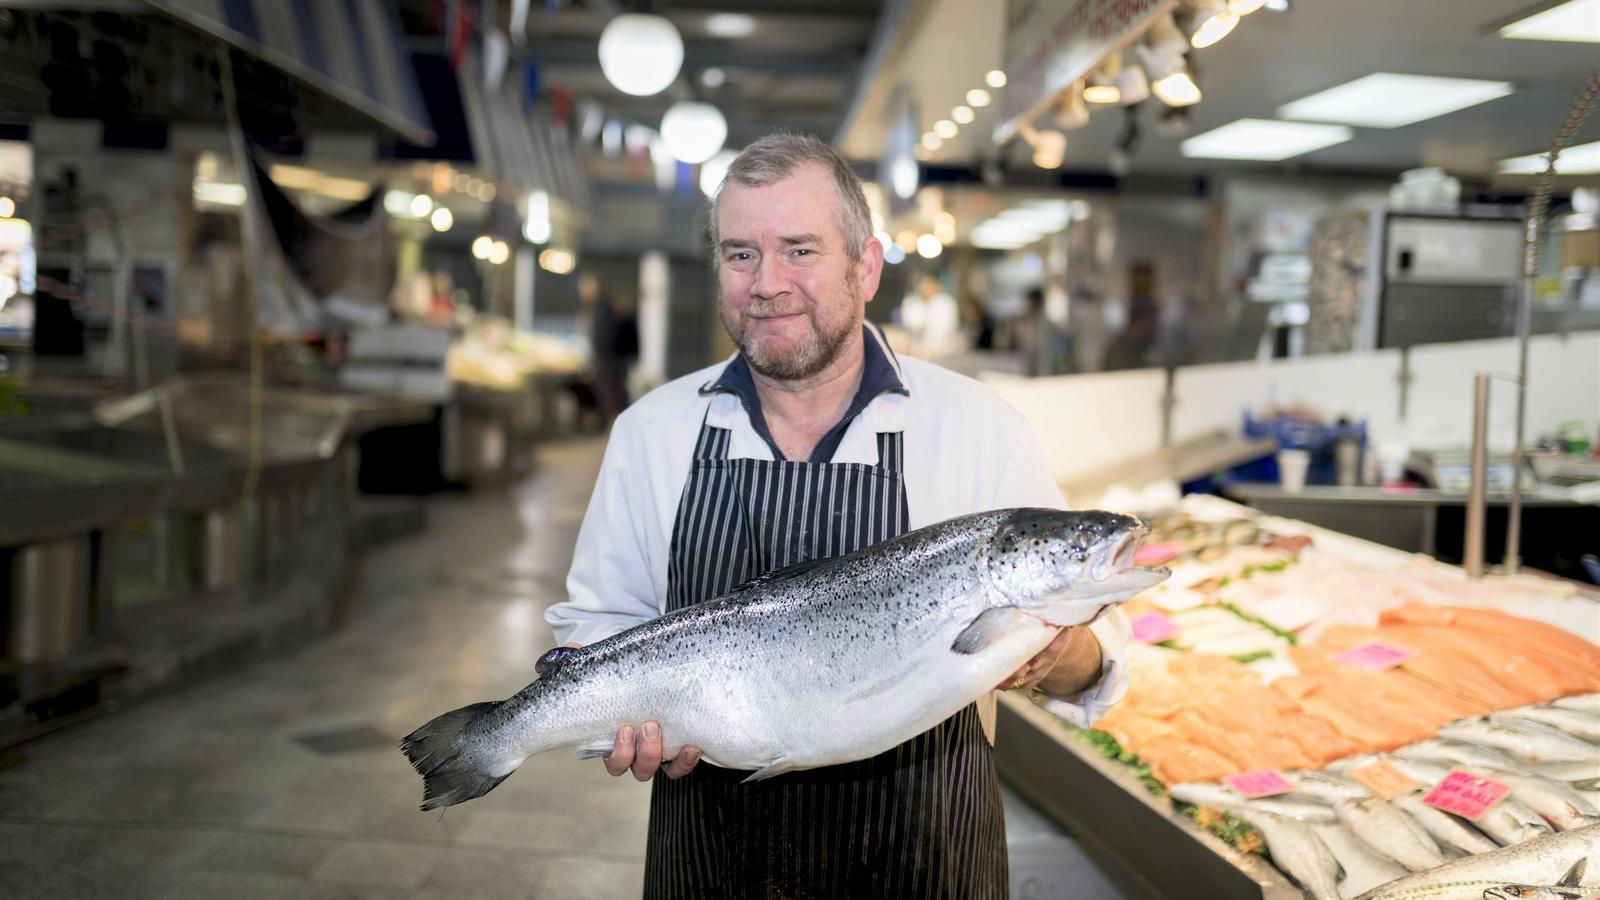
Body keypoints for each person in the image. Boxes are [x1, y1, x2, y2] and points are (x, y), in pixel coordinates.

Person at [545, 133, 1129, 900]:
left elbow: (1102, 662)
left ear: (867, 267)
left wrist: (1059, 656)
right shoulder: (653, 433)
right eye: (741, 254)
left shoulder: (977, 428)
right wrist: (625, 720)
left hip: (926, 862)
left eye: (799, 250)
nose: (767, 283)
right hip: (712, 861)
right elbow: (595, 627)